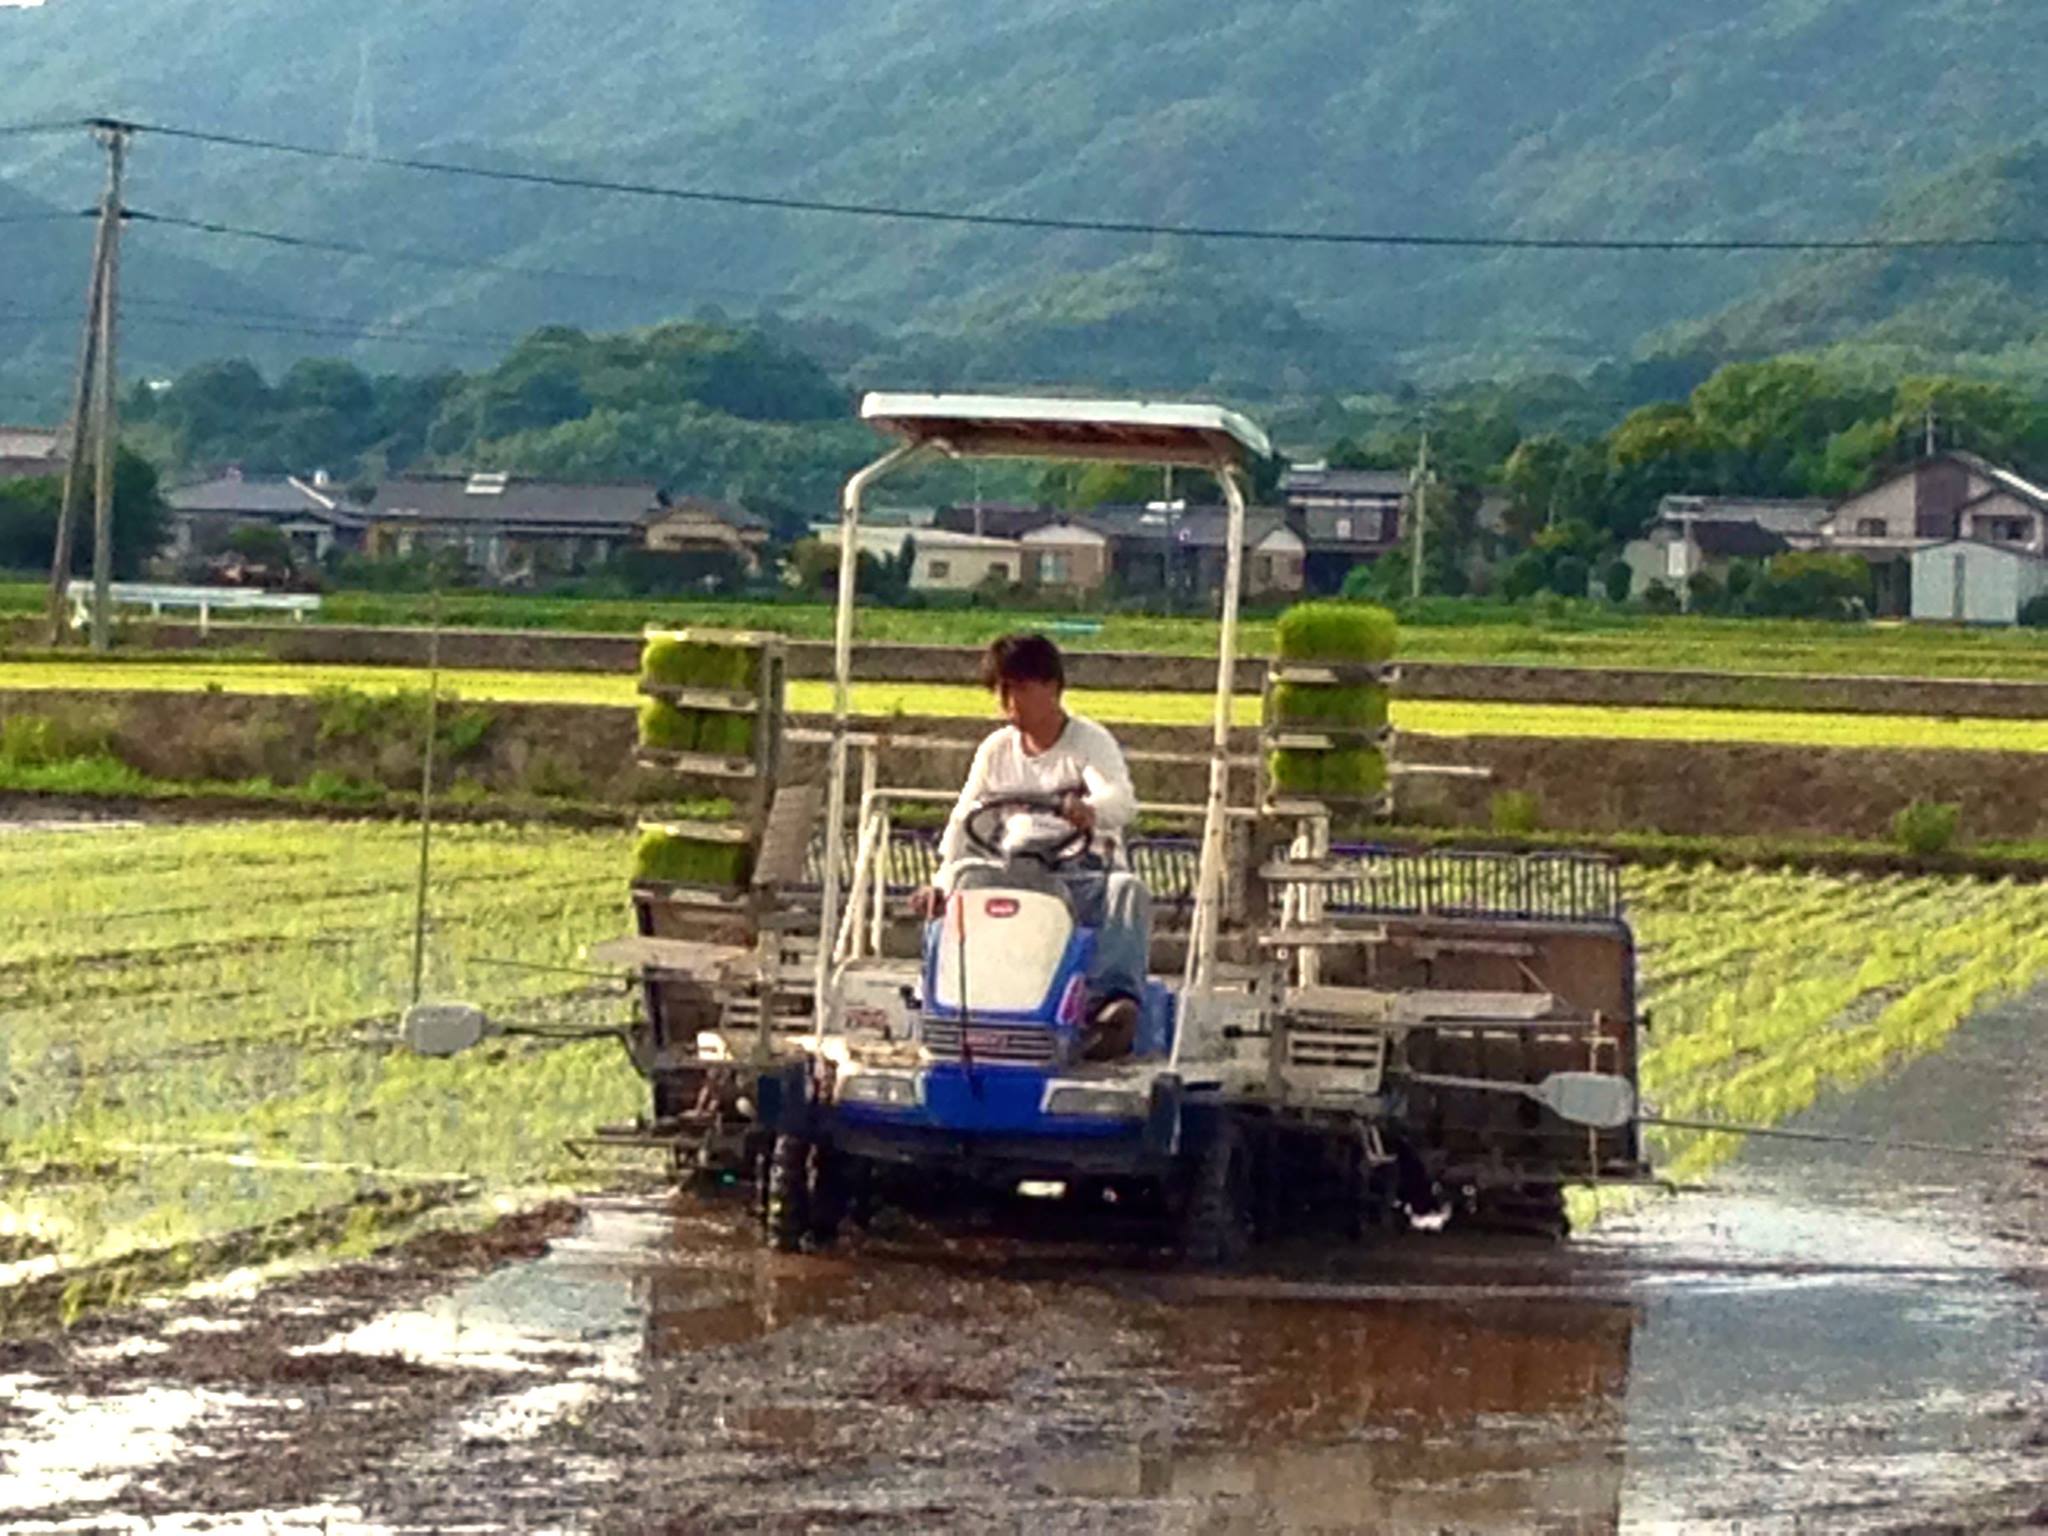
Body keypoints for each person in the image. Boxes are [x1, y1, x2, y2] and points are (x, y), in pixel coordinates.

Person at [911, 632, 1153, 1058]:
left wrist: (1089, 811)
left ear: (1053, 687)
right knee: (965, 881)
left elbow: (1121, 799)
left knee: (1126, 892)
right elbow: (963, 823)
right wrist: (941, 883)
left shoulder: (1089, 742)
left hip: (1081, 874)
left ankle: (1108, 1008)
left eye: (1020, 688)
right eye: (1001, 690)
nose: (1010, 702)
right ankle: (950, 1000)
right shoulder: (995, 751)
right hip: (1012, 872)